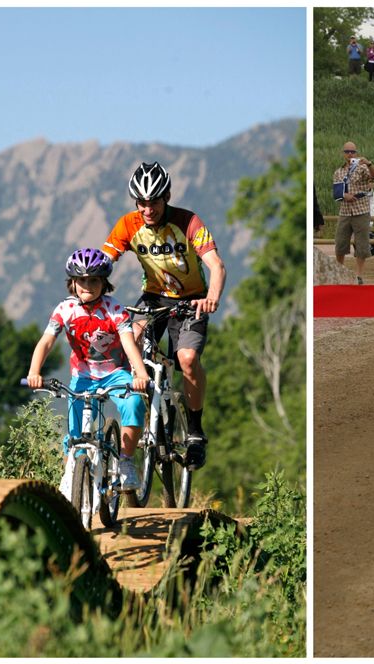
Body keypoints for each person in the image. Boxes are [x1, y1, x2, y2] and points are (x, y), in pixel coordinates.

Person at [102, 162, 226, 469]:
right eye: (141, 203)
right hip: (153, 299)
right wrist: (90, 290)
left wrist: (212, 297)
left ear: (166, 196)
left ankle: (195, 432)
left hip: (191, 301)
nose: (147, 209)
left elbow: (216, 265)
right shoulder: (128, 225)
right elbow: (103, 263)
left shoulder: (188, 221)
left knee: (186, 359)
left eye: (154, 201)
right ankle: (138, 414)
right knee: (127, 347)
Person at [27, 249, 151, 493]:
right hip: (83, 377)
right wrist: (34, 372)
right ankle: (73, 468)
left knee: (135, 404)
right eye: (82, 280)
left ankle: (125, 461)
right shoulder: (65, 309)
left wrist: (140, 373)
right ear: (72, 283)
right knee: (77, 436)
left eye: (94, 280)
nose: (88, 285)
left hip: (115, 373)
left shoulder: (114, 309)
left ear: (104, 283)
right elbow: (47, 341)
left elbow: (127, 342)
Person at [330, 142, 374, 284]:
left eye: (352, 152)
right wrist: (345, 196)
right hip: (344, 211)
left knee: (362, 244)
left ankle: (358, 275)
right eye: (347, 152)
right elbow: (337, 193)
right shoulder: (338, 172)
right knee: (340, 243)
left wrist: (368, 163)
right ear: (343, 154)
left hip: (361, 210)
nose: (350, 154)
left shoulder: (362, 168)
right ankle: (340, 272)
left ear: (356, 153)